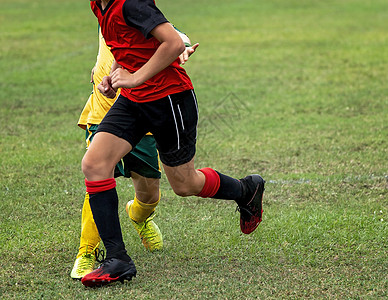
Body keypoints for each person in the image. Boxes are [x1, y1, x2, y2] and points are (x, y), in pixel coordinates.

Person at [81, 0, 265, 288]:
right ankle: (117, 259)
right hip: (133, 101)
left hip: (170, 100)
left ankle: (246, 190)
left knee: (184, 184)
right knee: (94, 163)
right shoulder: (98, 5)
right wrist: (115, 75)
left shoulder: (130, 3)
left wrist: (134, 77)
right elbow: (125, 44)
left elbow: (173, 43)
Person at [70, 24, 197, 280]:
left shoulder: (135, 11)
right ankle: (87, 252)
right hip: (104, 113)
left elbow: (173, 33)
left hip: (143, 113)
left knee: (149, 195)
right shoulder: (104, 11)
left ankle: (139, 217)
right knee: (97, 174)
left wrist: (182, 45)